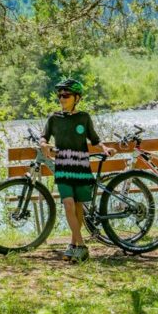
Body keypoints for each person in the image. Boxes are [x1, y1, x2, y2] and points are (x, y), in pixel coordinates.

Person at [39, 78, 115, 262]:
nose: (62, 98)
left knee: (79, 206)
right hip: (63, 166)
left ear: (77, 98)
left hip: (81, 166)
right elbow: (43, 138)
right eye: (60, 96)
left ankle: (73, 245)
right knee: (68, 204)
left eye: (66, 95)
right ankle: (81, 245)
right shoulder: (53, 118)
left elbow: (95, 140)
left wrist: (104, 149)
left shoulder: (84, 118)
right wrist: (44, 145)